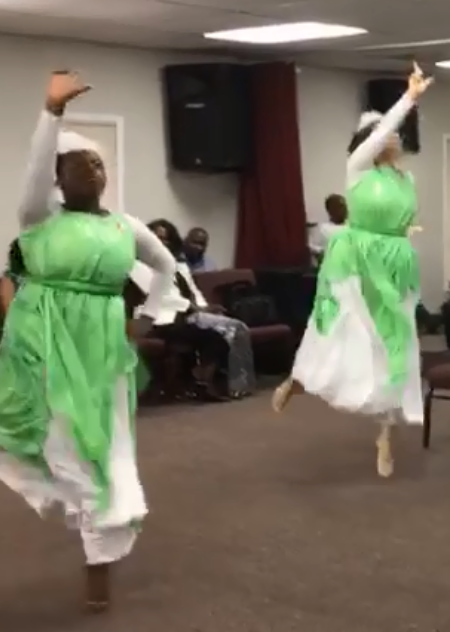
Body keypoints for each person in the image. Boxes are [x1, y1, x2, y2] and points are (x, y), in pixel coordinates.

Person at [0, 71, 178, 612]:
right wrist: (52, 110)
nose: (91, 170)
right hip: (40, 330)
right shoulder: (37, 219)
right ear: (58, 180)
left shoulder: (126, 227)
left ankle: (98, 554)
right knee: (16, 404)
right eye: (78, 165)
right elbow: (33, 171)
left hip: (98, 347)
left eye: (97, 164)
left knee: (95, 447)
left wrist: (149, 317)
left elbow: (166, 266)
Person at [271, 62, 433, 479]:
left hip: (395, 264)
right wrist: (409, 98)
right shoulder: (358, 167)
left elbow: (402, 218)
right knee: (344, 332)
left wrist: (403, 233)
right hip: (358, 261)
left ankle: (385, 433)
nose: (395, 138)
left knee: (395, 345)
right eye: (388, 134)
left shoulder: (406, 179)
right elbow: (382, 132)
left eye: (396, 134)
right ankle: (299, 379)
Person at [131, 219, 256, 400]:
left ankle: (206, 382)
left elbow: (193, 291)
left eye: (166, 239)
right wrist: (192, 307)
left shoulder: (179, 266)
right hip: (158, 318)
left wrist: (205, 307)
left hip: (186, 314)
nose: (161, 242)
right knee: (223, 332)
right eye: (157, 237)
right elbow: (158, 295)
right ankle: (216, 383)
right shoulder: (138, 266)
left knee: (226, 333)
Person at [308, 194, 349, 264]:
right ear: (330, 210)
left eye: (345, 206)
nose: (345, 210)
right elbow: (314, 248)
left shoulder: (353, 227)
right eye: (340, 207)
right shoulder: (322, 229)